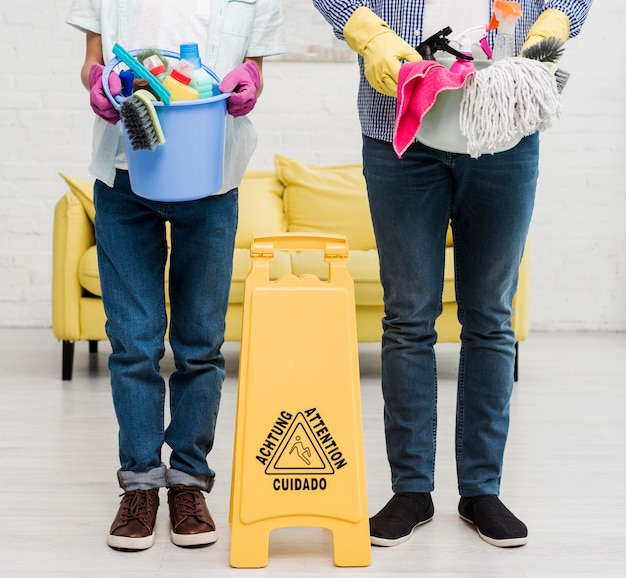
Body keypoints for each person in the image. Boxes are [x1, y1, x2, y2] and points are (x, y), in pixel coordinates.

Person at [312, 0, 592, 548]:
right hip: (400, 123)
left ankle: (481, 489)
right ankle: (411, 490)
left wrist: (552, 27)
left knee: (490, 316)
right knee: (408, 316)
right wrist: (366, 32)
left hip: (504, 121)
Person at [66, 0, 285, 551]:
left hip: (212, 176)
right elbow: (92, 60)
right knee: (133, 344)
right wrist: (99, 80)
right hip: (123, 178)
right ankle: (140, 482)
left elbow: (254, 65)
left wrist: (250, 80)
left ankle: (188, 481)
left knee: (200, 344)